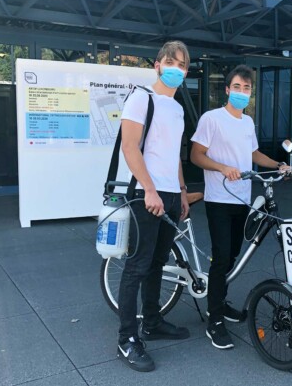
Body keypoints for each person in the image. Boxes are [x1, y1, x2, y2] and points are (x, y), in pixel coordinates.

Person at [190, 64, 290, 349]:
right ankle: (214, 321)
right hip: (219, 199)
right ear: (227, 89)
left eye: (247, 88)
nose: (242, 92)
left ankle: (219, 302)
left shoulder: (247, 122)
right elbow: (196, 155)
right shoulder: (212, 119)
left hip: (242, 199)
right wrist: (222, 168)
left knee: (232, 255)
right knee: (222, 257)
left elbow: (253, 153)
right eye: (237, 87)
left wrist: (279, 165)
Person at [117, 40, 191, 372]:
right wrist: (149, 189)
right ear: (157, 65)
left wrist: (182, 192)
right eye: (171, 62)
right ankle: (127, 339)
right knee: (138, 265)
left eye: (182, 65)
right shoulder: (141, 98)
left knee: (158, 262)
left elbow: (173, 155)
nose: (177, 69)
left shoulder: (177, 108)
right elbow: (130, 147)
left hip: (171, 195)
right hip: (147, 194)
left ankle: (152, 321)